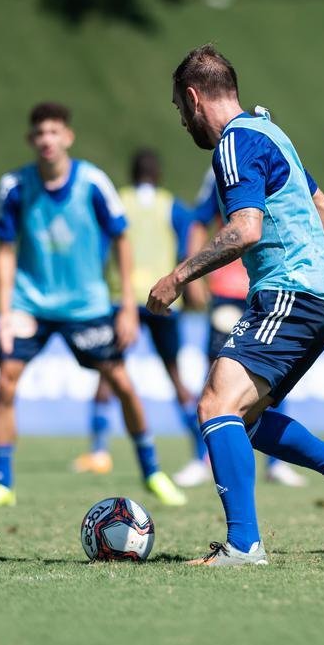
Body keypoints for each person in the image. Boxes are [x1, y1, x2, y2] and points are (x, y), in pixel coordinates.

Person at [148, 44, 324, 566]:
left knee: (215, 404)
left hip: (289, 291)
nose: (182, 121)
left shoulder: (233, 144)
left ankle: (243, 545)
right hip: (314, 294)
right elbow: (323, 206)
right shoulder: (271, 130)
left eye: (178, 108)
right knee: (245, 419)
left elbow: (245, 229)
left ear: (193, 98)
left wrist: (177, 277)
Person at [0, 102, 185, 510]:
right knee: (5, 382)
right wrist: (3, 313)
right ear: (31, 140)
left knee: (122, 383)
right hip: (29, 305)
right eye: (39, 133)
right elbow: (4, 250)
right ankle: (2, 483)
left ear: (67, 136)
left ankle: (153, 472)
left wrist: (125, 307)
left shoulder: (93, 183)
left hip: (87, 306)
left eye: (54, 131)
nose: (47, 139)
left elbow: (122, 239)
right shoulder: (15, 186)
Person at [179, 169, 309, 488]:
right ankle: (202, 458)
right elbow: (199, 221)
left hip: (271, 288)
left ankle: (276, 464)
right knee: (215, 371)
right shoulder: (224, 171)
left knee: (277, 375)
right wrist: (193, 274)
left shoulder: (286, 171)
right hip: (227, 289)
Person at [76, 148, 198, 476]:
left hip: (122, 300)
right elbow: (188, 249)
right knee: (175, 376)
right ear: (158, 176)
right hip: (165, 299)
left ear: (132, 173)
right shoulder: (172, 206)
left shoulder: (120, 201)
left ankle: (99, 451)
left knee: (109, 372)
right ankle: (201, 454)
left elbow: (101, 247)